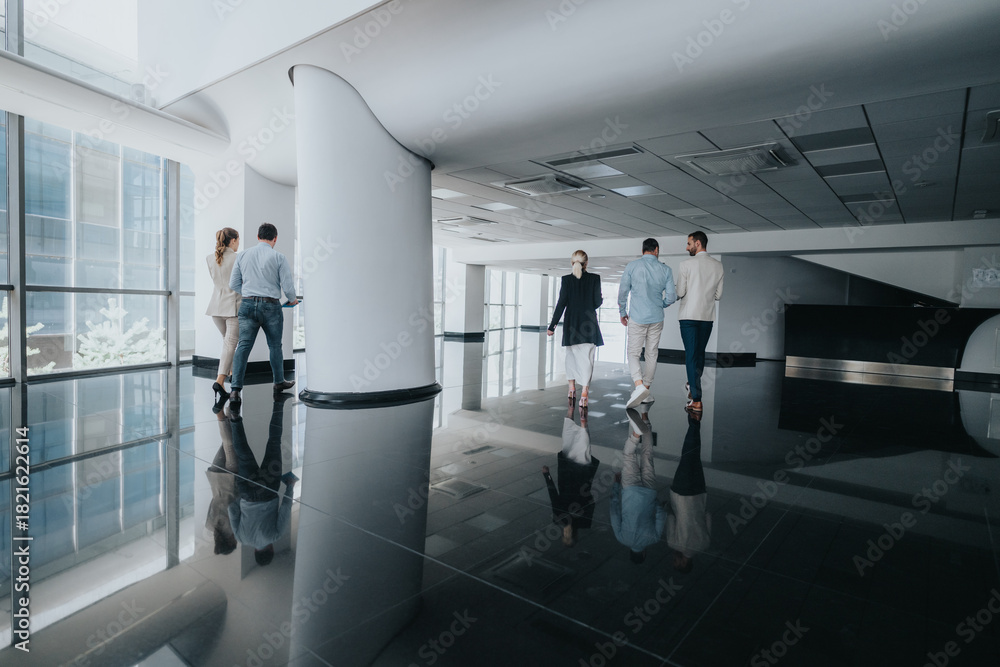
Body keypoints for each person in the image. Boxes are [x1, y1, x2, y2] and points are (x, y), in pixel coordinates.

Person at [228, 223, 298, 407]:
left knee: (242, 347)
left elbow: (233, 283)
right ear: (275, 238)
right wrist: (292, 299)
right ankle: (278, 382)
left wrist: (250, 293)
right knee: (275, 346)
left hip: (248, 304)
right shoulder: (278, 257)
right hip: (271, 306)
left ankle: (235, 390)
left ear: (258, 237)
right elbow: (288, 286)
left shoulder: (242, 255)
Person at [228, 395, 298, 566]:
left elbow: (286, 508)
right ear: (255, 552)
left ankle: (279, 401)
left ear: (271, 549)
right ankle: (235, 418)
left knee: (274, 442)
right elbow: (231, 509)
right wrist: (243, 498)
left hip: (268, 488)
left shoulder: (274, 535)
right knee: (243, 454)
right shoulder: (241, 537)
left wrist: (290, 487)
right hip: (246, 492)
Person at [617, 238, 676, 408]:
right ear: (656, 250)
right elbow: (671, 296)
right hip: (657, 317)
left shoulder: (632, 266)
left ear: (643, 250)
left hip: (636, 317)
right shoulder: (666, 269)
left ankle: (639, 386)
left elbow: (623, 292)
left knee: (633, 353)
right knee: (651, 353)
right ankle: (646, 390)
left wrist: (622, 312)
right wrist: (661, 304)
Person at [548, 250, 604, 407]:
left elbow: (561, 304)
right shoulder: (595, 278)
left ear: (571, 263)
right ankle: (584, 393)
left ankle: (571, 389)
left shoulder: (566, 280)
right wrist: (600, 300)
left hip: (571, 323)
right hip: (589, 323)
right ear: (587, 263)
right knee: (587, 359)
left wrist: (552, 326)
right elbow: (596, 302)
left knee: (571, 357)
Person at [676, 231, 724, 414]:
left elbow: (680, 292)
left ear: (697, 243)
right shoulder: (718, 266)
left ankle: (696, 400)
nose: (687, 247)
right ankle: (692, 383)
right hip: (707, 316)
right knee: (699, 354)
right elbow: (718, 295)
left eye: (689, 243)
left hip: (688, 316)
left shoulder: (686, 264)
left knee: (691, 355)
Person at [542, 401, 601, 546]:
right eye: (569, 537)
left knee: (576, 444)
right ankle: (576, 415)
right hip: (572, 474)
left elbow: (554, 497)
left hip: (575, 475)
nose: (566, 534)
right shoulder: (571, 520)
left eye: (565, 537)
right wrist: (547, 475)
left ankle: (574, 413)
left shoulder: (576, 521)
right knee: (576, 444)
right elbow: (554, 496)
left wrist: (547, 476)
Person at [611, 408, 665, 564]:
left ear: (644, 554)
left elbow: (661, 515)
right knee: (628, 455)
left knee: (647, 454)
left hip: (649, 492)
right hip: (629, 489)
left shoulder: (653, 539)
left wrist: (654, 501)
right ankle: (636, 434)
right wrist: (615, 487)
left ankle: (645, 415)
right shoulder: (622, 538)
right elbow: (614, 513)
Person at [667, 413, 711, 573]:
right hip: (681, 494)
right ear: (683, 564)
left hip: (699, 494)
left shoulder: (705, 545)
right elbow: (671, 518)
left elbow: (708, 516)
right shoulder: (674, 544)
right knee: (687, 454)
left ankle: (694, 418)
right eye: (676, 563)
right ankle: (693, 417)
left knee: (694, 456)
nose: (673, 559)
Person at [206, 227, 241, 407]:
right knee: (230, 344)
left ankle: (233, 380)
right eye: (238, 240)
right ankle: (220, 381)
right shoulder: (238, 258)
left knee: (228, 344)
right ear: (233, 240)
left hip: (216, 308)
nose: (239, 243)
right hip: (232, 307)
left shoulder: (210, 258)